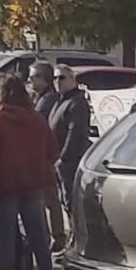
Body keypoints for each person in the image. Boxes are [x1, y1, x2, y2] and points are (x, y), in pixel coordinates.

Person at [0, 74, 59, 270]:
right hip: (32, 183)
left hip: (4, 185)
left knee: (6, 239)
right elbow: (53, 151)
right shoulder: (36, 119)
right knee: (38, 237)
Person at [48, 64, 93, 244]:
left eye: (62, 78)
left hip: (69, 162)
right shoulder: (61, 100)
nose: (57, 82)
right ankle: (74, 240)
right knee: (65, 202)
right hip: (57, 161)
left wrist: (63, 159)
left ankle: (78, 241)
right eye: (55, 78)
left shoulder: (77, 102)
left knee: (72, 204)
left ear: (73, 80)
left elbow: (76, 133)